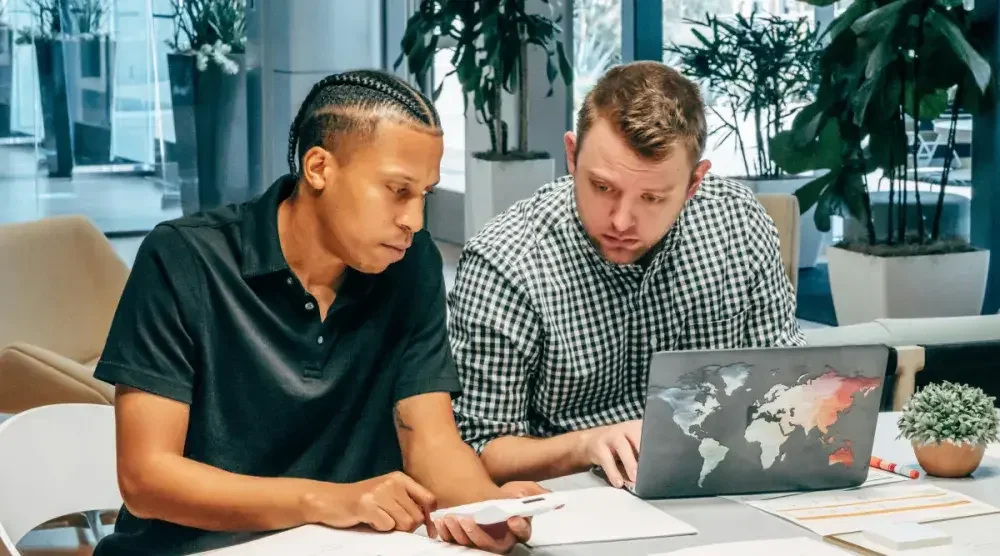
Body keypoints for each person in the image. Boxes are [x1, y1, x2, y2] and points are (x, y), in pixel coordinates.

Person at [92, 69, 543, 556]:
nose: (414, 220)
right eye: (397, 190)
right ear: (319, 168)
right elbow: (145, 478)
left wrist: (484, 507)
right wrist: (327, 500)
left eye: (424, 195)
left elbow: (430, 440)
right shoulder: (183, 259)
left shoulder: (412, 266)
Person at [448, 61, 805, 489]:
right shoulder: (507, 260)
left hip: (717, 483)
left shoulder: (738, 225)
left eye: (652, 198)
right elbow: (480, 448)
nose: (621, 220)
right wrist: (584, 445)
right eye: (602, 188)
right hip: (573, 496)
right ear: (571, 155)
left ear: (695, 183)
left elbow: (782, 384)